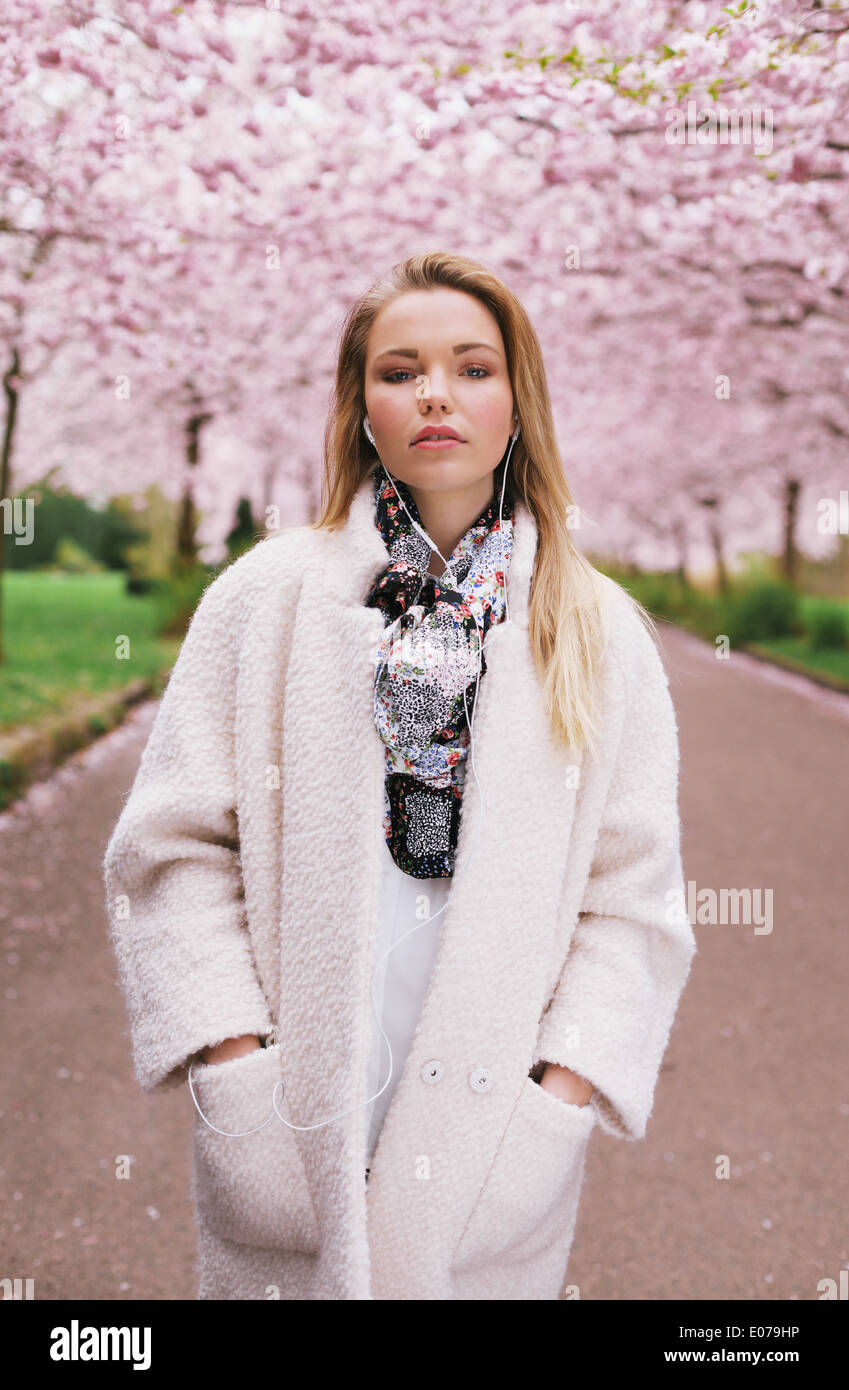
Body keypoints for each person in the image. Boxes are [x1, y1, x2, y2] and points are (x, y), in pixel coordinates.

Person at [102, 250, 697, 1301]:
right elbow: (172, 846)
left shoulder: (597, 630)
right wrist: (232, 1061)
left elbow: (631, 900)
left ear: (519, 401)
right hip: (292, 1103)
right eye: (399, 370)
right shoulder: (265, 600)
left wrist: (554, 1099)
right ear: (359, 404)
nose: (434, 394)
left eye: (473, 368)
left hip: (486, 1133)